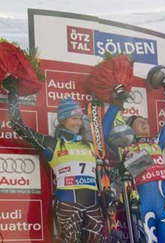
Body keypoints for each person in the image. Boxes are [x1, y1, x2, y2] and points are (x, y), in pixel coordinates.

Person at [5, 80, 104, 243]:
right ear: (63, 120)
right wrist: (13, 92)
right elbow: (18, 126)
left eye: (80, 118)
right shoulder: (53, 144)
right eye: (73, 118)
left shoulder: (90, 145)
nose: (78, 123)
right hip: (68, 204)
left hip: (93, 206)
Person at [103, 90, 165, 243]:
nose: (145, 123)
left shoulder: (156, 142)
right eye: (140, 122)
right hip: (142, 204)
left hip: (164, 204)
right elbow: (104, 132)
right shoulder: (124, 146)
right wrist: (116, 105)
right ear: (130, 128)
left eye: (146, 121)